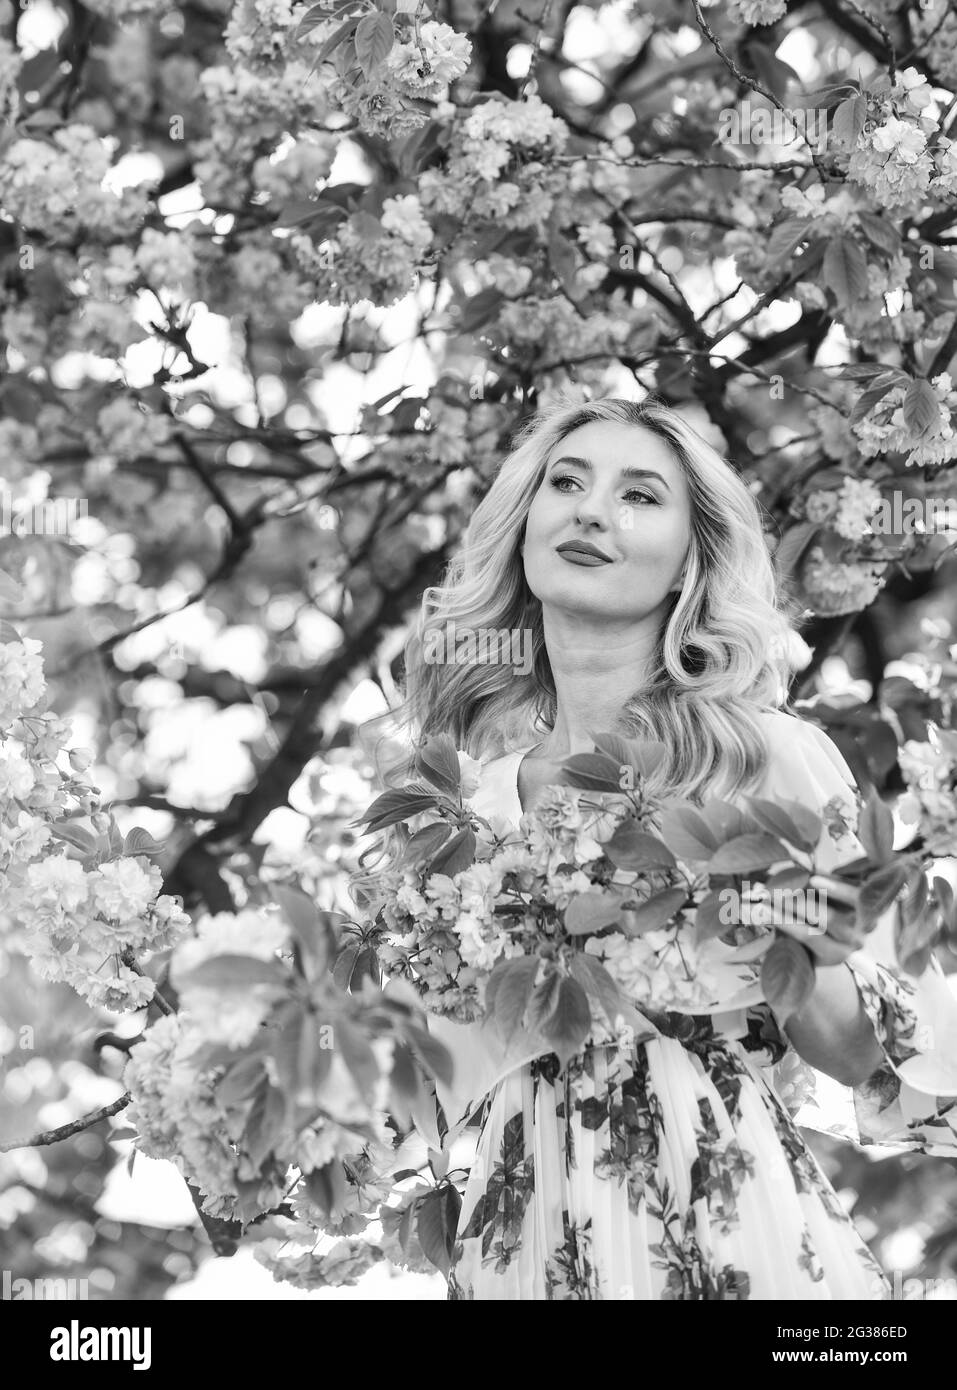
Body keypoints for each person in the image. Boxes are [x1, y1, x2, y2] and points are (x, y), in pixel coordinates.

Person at [358, 394, 957, 1300]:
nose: (591, 510)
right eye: (566, 483)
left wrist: (808, 940)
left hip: (717, 1200)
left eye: (640, 496)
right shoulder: (464, 808)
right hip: (521, 1232)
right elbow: (430, 1080)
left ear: (688, 564)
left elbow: (851, 1051)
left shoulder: (756, 759)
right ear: (524, 527)